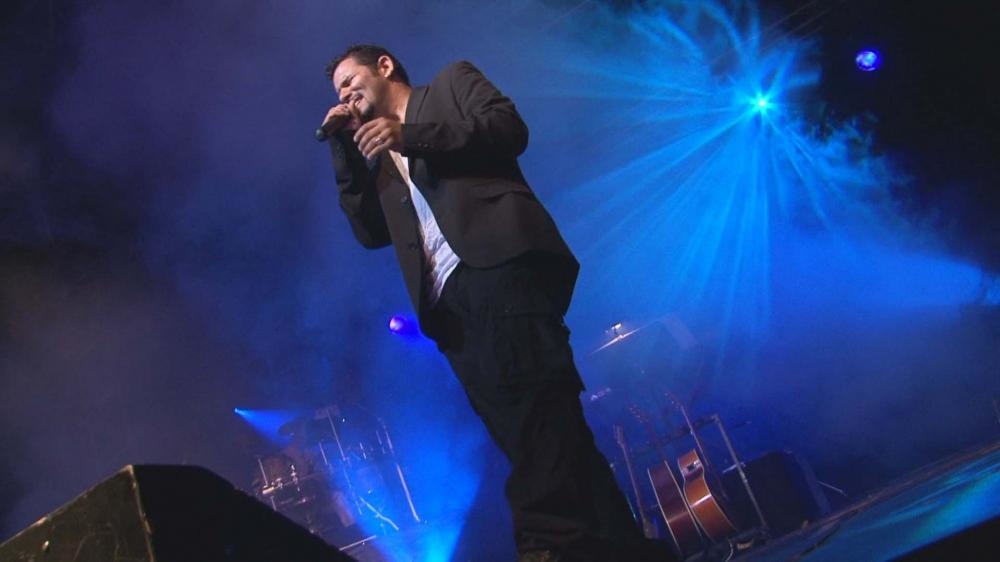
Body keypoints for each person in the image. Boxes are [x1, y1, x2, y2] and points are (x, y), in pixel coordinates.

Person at [322, 44, 674, 562]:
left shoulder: (450, 84)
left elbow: (509, 129)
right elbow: (369, 232)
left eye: (350, 80)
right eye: (338, 92)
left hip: (499, 267)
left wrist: (410, 136)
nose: (345, 94)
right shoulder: (377, 159)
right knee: (539, 430)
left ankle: (543, 543)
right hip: (448, 307)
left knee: (536, 414)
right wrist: (342, 150)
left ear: (385, 67)